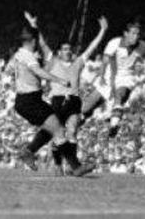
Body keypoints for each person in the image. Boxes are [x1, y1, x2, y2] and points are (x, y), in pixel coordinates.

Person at [8, 14, 93, 177]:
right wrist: (58, 80)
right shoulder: (28, 55)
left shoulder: (19, 53)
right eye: (36, 42)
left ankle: (29, 152)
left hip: (28, 100)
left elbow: (40, 45)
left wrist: (34, 25)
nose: (37, 46)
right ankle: (75, 167)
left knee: (55, 130)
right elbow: (38, 70)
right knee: (59, 131)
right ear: (32, 42)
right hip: (30, 101)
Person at [32, 13, 108, 175]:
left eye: (69, 49)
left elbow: (92, 47)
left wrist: (103, 30)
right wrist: (34, 26)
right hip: (58, 100)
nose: (68, 51)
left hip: (74, 100)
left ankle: (73, 167)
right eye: (64, 49)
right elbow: (42, 43)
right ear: (59, 52)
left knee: (72, 130)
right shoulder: (53, 61)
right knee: (57, 132)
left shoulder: (78, 63)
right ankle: (58, 164)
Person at [80, 18, 145, 137]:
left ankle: (114, 126)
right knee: (85, 109)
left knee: (120, 95)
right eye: (133, 33)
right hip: (108, 78)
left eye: (138, 34)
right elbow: (105, 61)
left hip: (126, 78)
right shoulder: (115, 43)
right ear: (126, 33)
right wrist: (102, 76)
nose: (136, 36)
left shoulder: (142, 46)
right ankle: (82, 120)